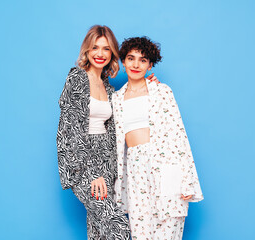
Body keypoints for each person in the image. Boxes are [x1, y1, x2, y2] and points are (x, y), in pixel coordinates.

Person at [112, 36, 204, 239]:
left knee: (168, 231)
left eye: (143, 60)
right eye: (131, 58)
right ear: (123, 61)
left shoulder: (162, 92)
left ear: (150, 64)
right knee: (140, 233)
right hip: (135, 172)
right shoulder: (116, 99)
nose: (136, 64)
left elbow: (179, 134)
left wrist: (187, 180)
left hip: (165, 166)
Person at [56, 25, 131, 240]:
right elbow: (69, 130)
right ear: (87, 51)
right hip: (83, 163)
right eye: (95, 48)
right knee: (118, 227)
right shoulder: (77, 78)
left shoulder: (107, 86)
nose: (100, 54)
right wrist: (92, 171)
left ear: (112, 53)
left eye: (106, 49)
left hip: (106, 161)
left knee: (99, 232)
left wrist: (149, 85)